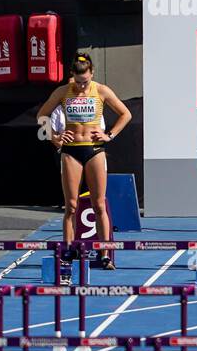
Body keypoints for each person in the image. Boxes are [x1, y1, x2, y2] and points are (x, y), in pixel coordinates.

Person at [36, 53, 132, 269]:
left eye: (85, 81)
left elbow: (126, 114)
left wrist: (110, 135)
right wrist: (55, 138)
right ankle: (68, 250)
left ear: (92, 74)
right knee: (71, 206)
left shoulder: (101, 90)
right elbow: (41, 115)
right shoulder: (62, 92)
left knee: (99, 204)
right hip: (70, 151)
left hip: (95, 150)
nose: (81, 86)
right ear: (72, 76)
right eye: (78, 82)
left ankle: (105, 253)